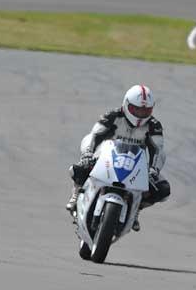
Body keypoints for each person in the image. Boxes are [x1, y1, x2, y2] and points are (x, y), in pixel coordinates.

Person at [66, 84, 171, 231]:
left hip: (135, 164)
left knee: (162, 189)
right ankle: (76, 194)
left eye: (145, 111)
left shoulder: (154, 125)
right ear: (126, 104)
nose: (140, 114)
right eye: (136, 109)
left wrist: (154, 170)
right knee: (78, 169)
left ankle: (137, 208)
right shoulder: (112, 116)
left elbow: (158, 150)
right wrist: (87, 154)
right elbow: (94, 135)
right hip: (105, 159)